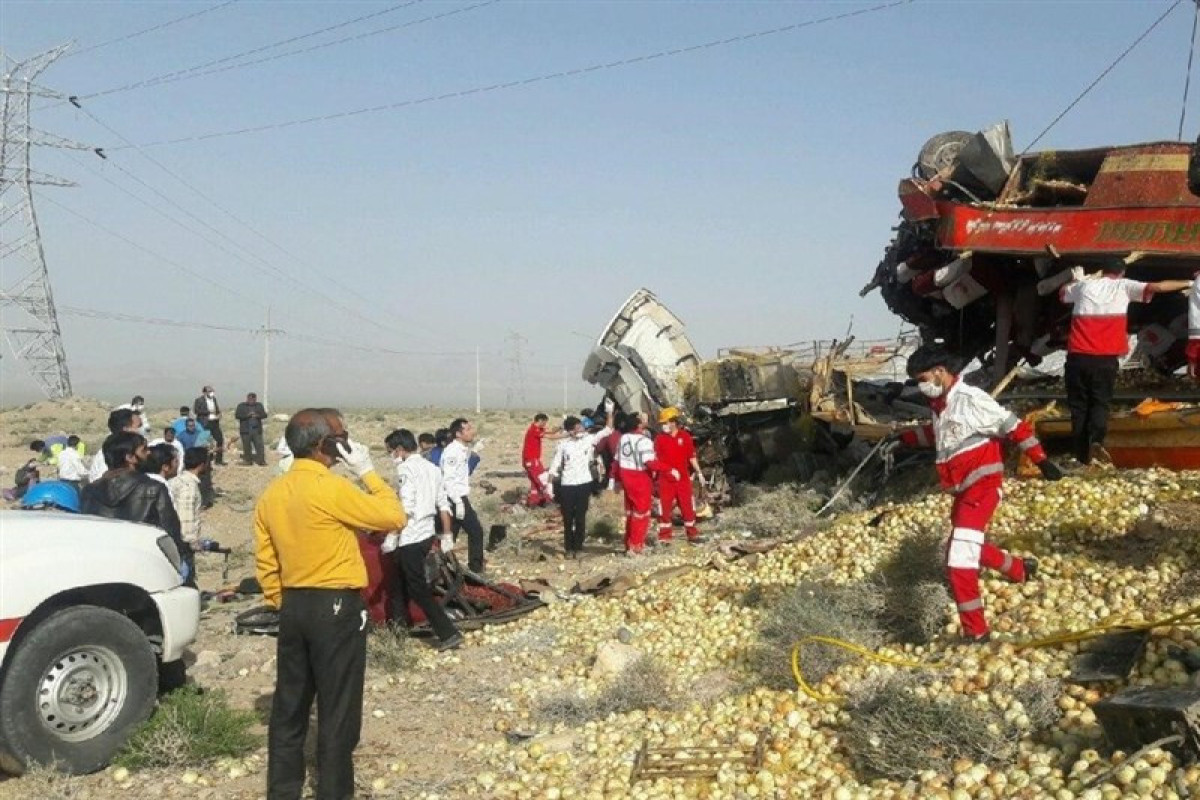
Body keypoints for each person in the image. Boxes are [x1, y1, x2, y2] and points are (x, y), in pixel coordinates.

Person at [254, 409, 405, 800]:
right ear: (324, 445)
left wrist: (280, 601)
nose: (345, 443)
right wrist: (367, 471)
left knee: (290, 705)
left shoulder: (273, 494)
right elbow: (394, 515)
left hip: (293, 604)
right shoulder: (331, 488)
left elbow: (266, 562)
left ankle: (283, 791)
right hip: (335, 604)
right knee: (337, 711)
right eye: (341, 436)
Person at [900, 345, 1062, 642]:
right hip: (962, 490)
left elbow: (1012, 426)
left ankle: (976, 632)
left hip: (982, 486)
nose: (921, 386)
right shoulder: (942, 405)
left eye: (922, 378)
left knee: (959, 557)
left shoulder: (971, 400)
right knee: (965, 544)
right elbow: (941, 435)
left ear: (940, 372)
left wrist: (1042, 461)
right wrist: (902, 438)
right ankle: (1018, 569)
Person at [1059, 263, 1190, 464]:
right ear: (1121, 272)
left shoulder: (1084, 287)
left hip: (1077, 357)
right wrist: (1190, 282)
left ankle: (1080, 454)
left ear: (1102, 271)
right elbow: (1158, 287)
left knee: (1079, 407)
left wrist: (1077, 279)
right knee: (1100, 403)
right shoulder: (1124, 286)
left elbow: (1062, 294)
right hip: (1105, 359)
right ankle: (1096, 441)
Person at [383, 428, 462, 650]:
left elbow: (406, 508)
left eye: (391, 452)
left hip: (409, 536)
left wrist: (392, 535)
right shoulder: (432, 468)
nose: (392, 457)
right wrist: (446, 534)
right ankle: (398, 629)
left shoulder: (406, 470)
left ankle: (447, 632)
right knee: (398, 583)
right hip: (426, 533)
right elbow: (443, 504)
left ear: (399, 449)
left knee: (416, 588)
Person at [81, 431, 194, 586]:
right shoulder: (153, 488)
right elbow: (170, 532)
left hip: (102, 568)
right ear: (130, 458)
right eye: (144, 450)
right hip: (144, 565)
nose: (149, 453)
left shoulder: (88, 491)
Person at [548, 404, 613, 559]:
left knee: (581, 518)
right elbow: (555, 465)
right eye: (576, 428)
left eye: (580, 427)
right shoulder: (563, 446)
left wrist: (610, 412)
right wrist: (549, 485)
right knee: (568, 518)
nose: (579, 430)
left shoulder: (588, 440)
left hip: (584, 484)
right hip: (567, 485)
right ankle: (568, 548)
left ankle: (579, 547)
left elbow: (608, 430)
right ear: (570, 431)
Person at [610, 412, 669, 556]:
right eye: (642, 420)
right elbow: (650, 463)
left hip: (626, 477)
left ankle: (628, 543)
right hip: (640, 479)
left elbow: (616, 462)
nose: (645, 420)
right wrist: (669, 469)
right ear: (638, 425)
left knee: (630, 513)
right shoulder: (644, 441)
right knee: (642, 513)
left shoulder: (623, 439)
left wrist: (616, 480)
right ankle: (636, 545)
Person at [653, 407, 706, 545]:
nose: (663, 426)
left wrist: (699, 472)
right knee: (664, 509)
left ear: (673, 422)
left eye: (665, 422)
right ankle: (664, 537)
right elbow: (655, 459)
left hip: (683, 479)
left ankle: (692, 535)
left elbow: (691, 456)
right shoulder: (659, 439)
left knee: (688, 507)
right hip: (665, 479)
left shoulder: (685, 437)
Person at [440, 418, 485, 573]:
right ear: (458, 434)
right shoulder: (452, 451)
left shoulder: (461, 449)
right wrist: (458, 501)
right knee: (476, 532)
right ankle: (476, 569)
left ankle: (443, 568)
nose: (472, 431)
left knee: (450, 536)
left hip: (458, 497)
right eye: (467, 429)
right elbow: (448, 479)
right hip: (454, 498)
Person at [88, 408, 142, 483]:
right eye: (139, 426)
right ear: (126, 429)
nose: (142, 430)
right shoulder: (109, 455)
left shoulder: (136, 453)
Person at [521, 413, 564, 507]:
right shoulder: (534, 430)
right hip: (531, 460)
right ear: (540, 420)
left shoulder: (538, 429)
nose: (545, 424)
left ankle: (534, 501)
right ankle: (548, 499)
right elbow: (551, 437)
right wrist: (568, 435)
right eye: (544, 422)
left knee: (534, 482)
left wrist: (560, 427)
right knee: (542, 479)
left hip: (532, 459)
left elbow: (551, 432)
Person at [169, 447, 207, 549]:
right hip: (182, 545)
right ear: (202, 465)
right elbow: (186, 516)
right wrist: (191, 542)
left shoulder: (177, 480)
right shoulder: (189, 486)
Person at [194, 385, 225, 465]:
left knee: (220, 440)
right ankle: (205, 461)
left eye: (212, 391)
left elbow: (217, 409)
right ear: (204, 392)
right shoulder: (199, 400)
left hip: (214, 422)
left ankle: (219, 460)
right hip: (205, 423)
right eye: (209, 391)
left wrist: (219, 414)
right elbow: (196, 410)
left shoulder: (214, 399)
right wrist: (208, 412)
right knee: (205, 442)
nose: (211, 393)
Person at [236, 392, 269, 466]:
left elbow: (264, 415)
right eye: (250, 399)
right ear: (247, 399)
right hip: (245, 430)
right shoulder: (241, 406)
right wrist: (247, 416)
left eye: (253, 399)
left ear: (255, 399)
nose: (251, 401)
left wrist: (258, 415)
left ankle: (261, 461)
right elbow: (237, 415)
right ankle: (248, 461)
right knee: (246, 446)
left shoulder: (259, 405)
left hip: (256, 430)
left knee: (259, 446)